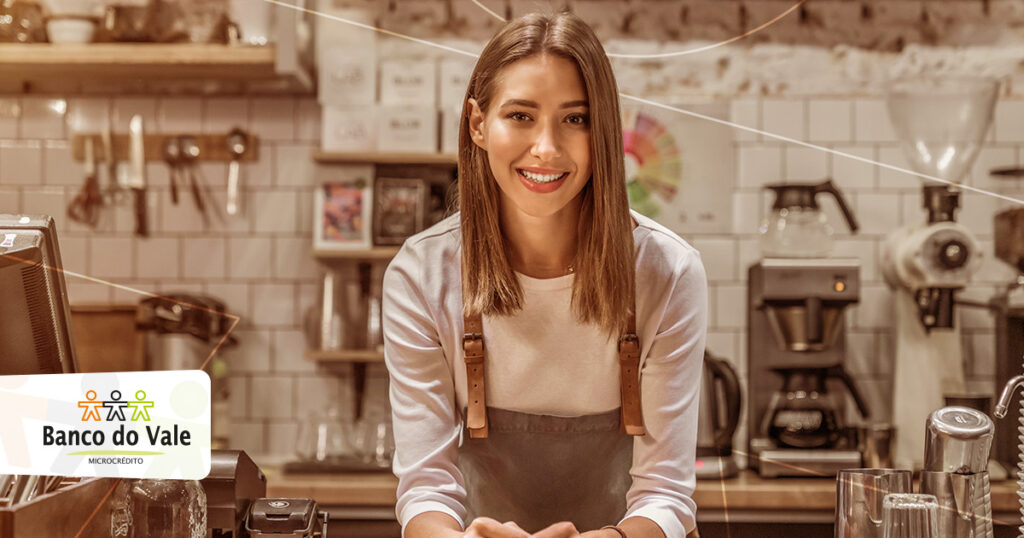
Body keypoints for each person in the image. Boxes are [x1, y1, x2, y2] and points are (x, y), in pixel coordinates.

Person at [382, 11, 707, 538]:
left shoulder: (667, 272)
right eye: (521, 115)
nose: (547, 148)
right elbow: (425, 489)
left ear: (602, 130)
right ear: (478, 124)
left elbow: (665, 494)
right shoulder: (422, 275)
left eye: (575, 119)